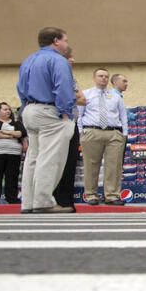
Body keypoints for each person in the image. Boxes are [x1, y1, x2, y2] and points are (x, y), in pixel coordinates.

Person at [16, 26, 76, 213]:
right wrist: (65, 111)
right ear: (56, 41)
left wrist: (25, 106)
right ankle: (43, 201)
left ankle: (28, 202)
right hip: (50, 110)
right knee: (50, 158)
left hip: (30, 109)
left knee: (33, 158)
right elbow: (63, 87)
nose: (67, 44)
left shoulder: (28, 60)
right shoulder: (58, 60)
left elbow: (20, 87)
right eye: (65, 40)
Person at [77, 67, 128, 205]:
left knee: (114, 165)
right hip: (92, 131)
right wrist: (82, 132)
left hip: (113, 132)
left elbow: (123, 116)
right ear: (94, 78)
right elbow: (79, 115)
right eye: (100, 76)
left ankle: (112, 195)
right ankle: (91, 195)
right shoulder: (86, 94)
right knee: (91, 165)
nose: (104, 78)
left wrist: (124, 134)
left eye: (106, 76)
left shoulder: (116, 96)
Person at [52, 49, 86, 212]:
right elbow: (69, 97)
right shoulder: (57, 75)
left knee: (70, 163)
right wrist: (73, 97)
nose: (73, 60)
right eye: (70, 58)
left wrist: (73, 97)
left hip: (72, 122)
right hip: (58, 122)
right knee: (56, 162)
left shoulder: (72, 77)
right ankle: (54, 198)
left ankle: (66, 201)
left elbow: (82, 99)